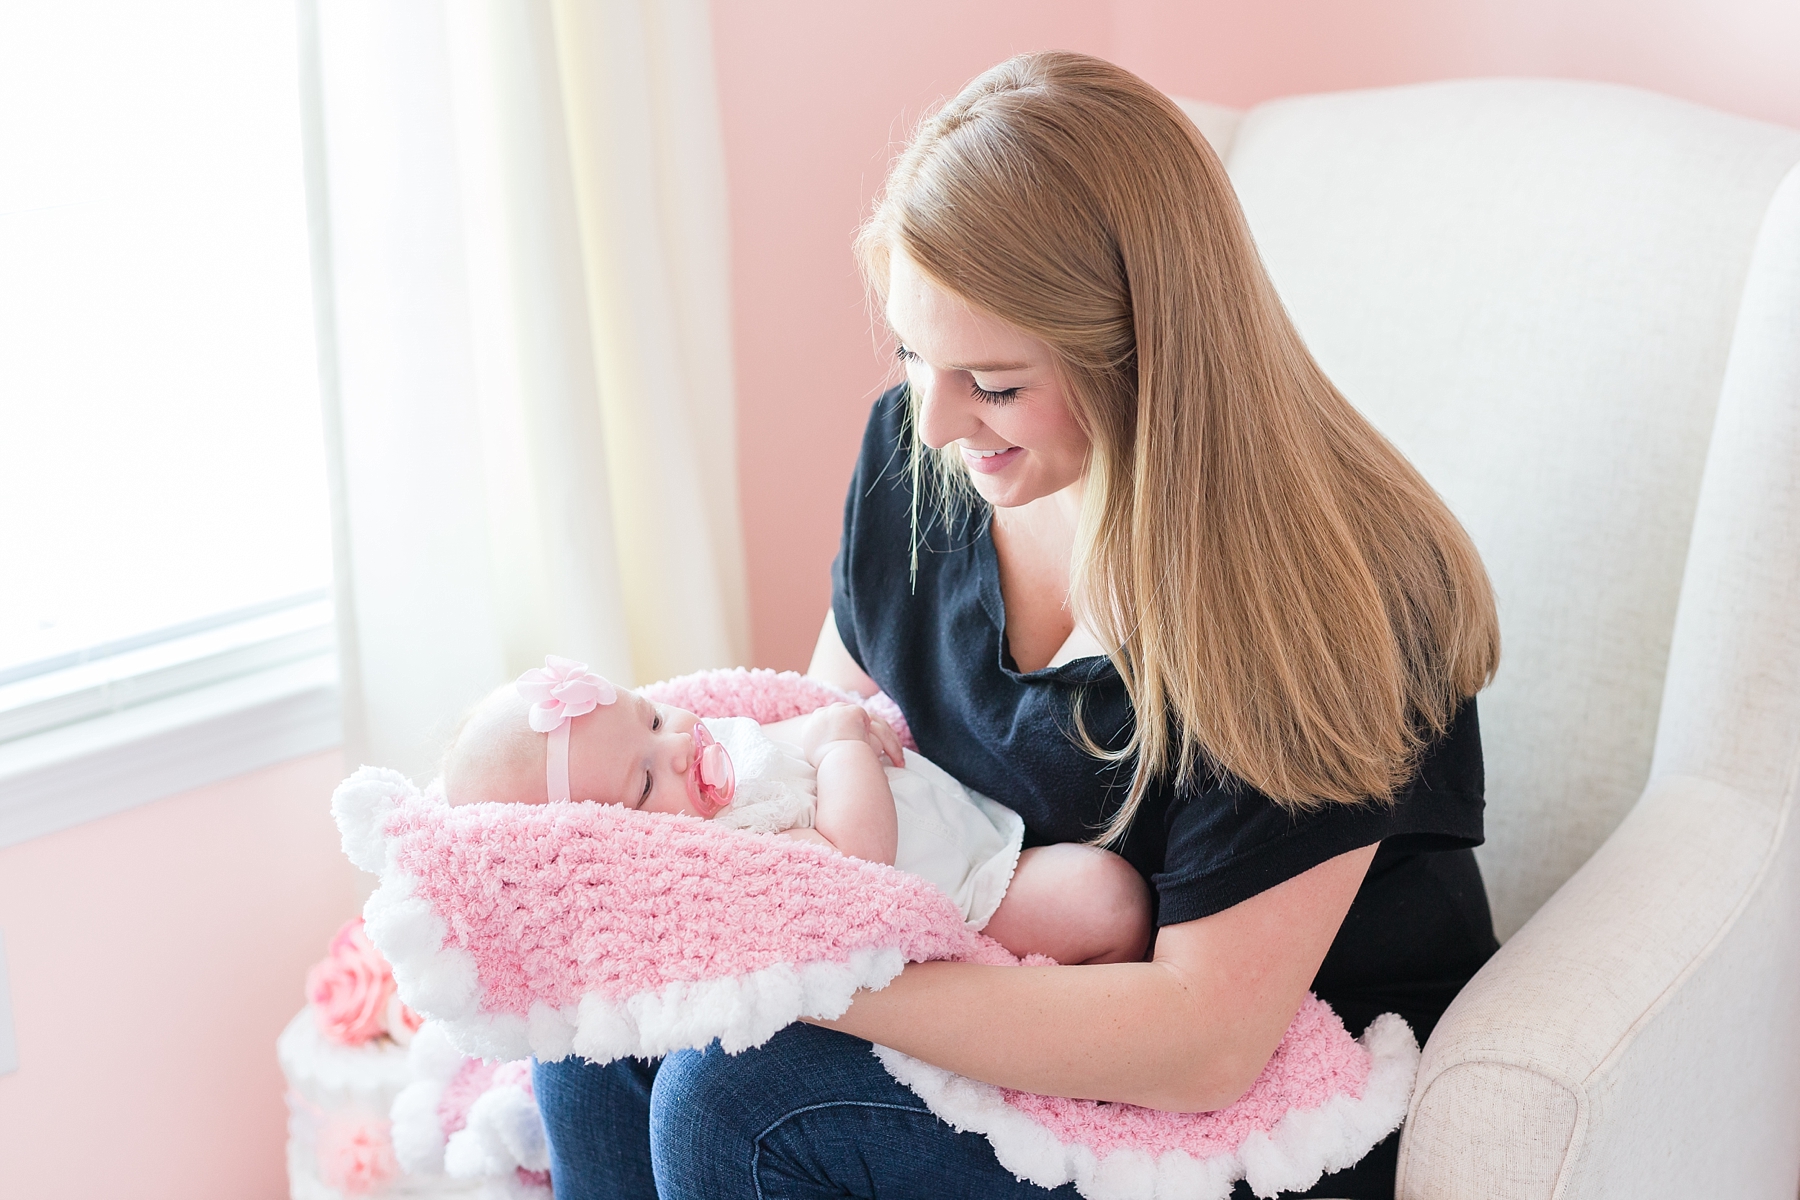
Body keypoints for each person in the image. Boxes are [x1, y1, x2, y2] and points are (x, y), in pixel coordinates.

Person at [533, 51, 1502, 1200]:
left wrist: (784, 964)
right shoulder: (920, 453)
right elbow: (821, 739)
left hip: (1257, 1097)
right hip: (1009, 982)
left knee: (733, 1093)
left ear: (1143, 357)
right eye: (912, 354)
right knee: (591, 1040)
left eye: (992, 383)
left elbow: (1202, 1043)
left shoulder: (1328, 603)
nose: (934, 420)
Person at [440, 659, 1152, 966]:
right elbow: (858, 863)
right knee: (1105, 898)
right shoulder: (731, 858)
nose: (681, 745)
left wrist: (817, 729)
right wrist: (839, 743)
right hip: (967, 900)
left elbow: (778, 741)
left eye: (653, 716)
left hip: (971, 816)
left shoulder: (706, 749)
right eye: (645, 782)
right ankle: (1083, 1056)